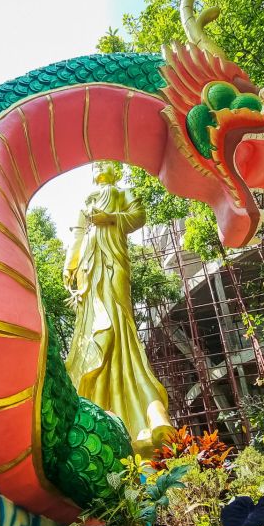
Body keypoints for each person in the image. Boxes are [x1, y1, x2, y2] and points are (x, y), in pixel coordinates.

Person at [63, 165, 174, 454]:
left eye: (106, 167)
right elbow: (78, 233)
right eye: (98, 168)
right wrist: (70, 264)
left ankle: (141, 414)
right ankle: (95, 407)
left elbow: (138, 216)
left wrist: (110, 218)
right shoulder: (87, 200)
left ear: (114, 173)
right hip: (89, 268)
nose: (101, 170)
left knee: (116, 326)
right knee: (89, 331)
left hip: (113, 263)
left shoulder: (122, 192)